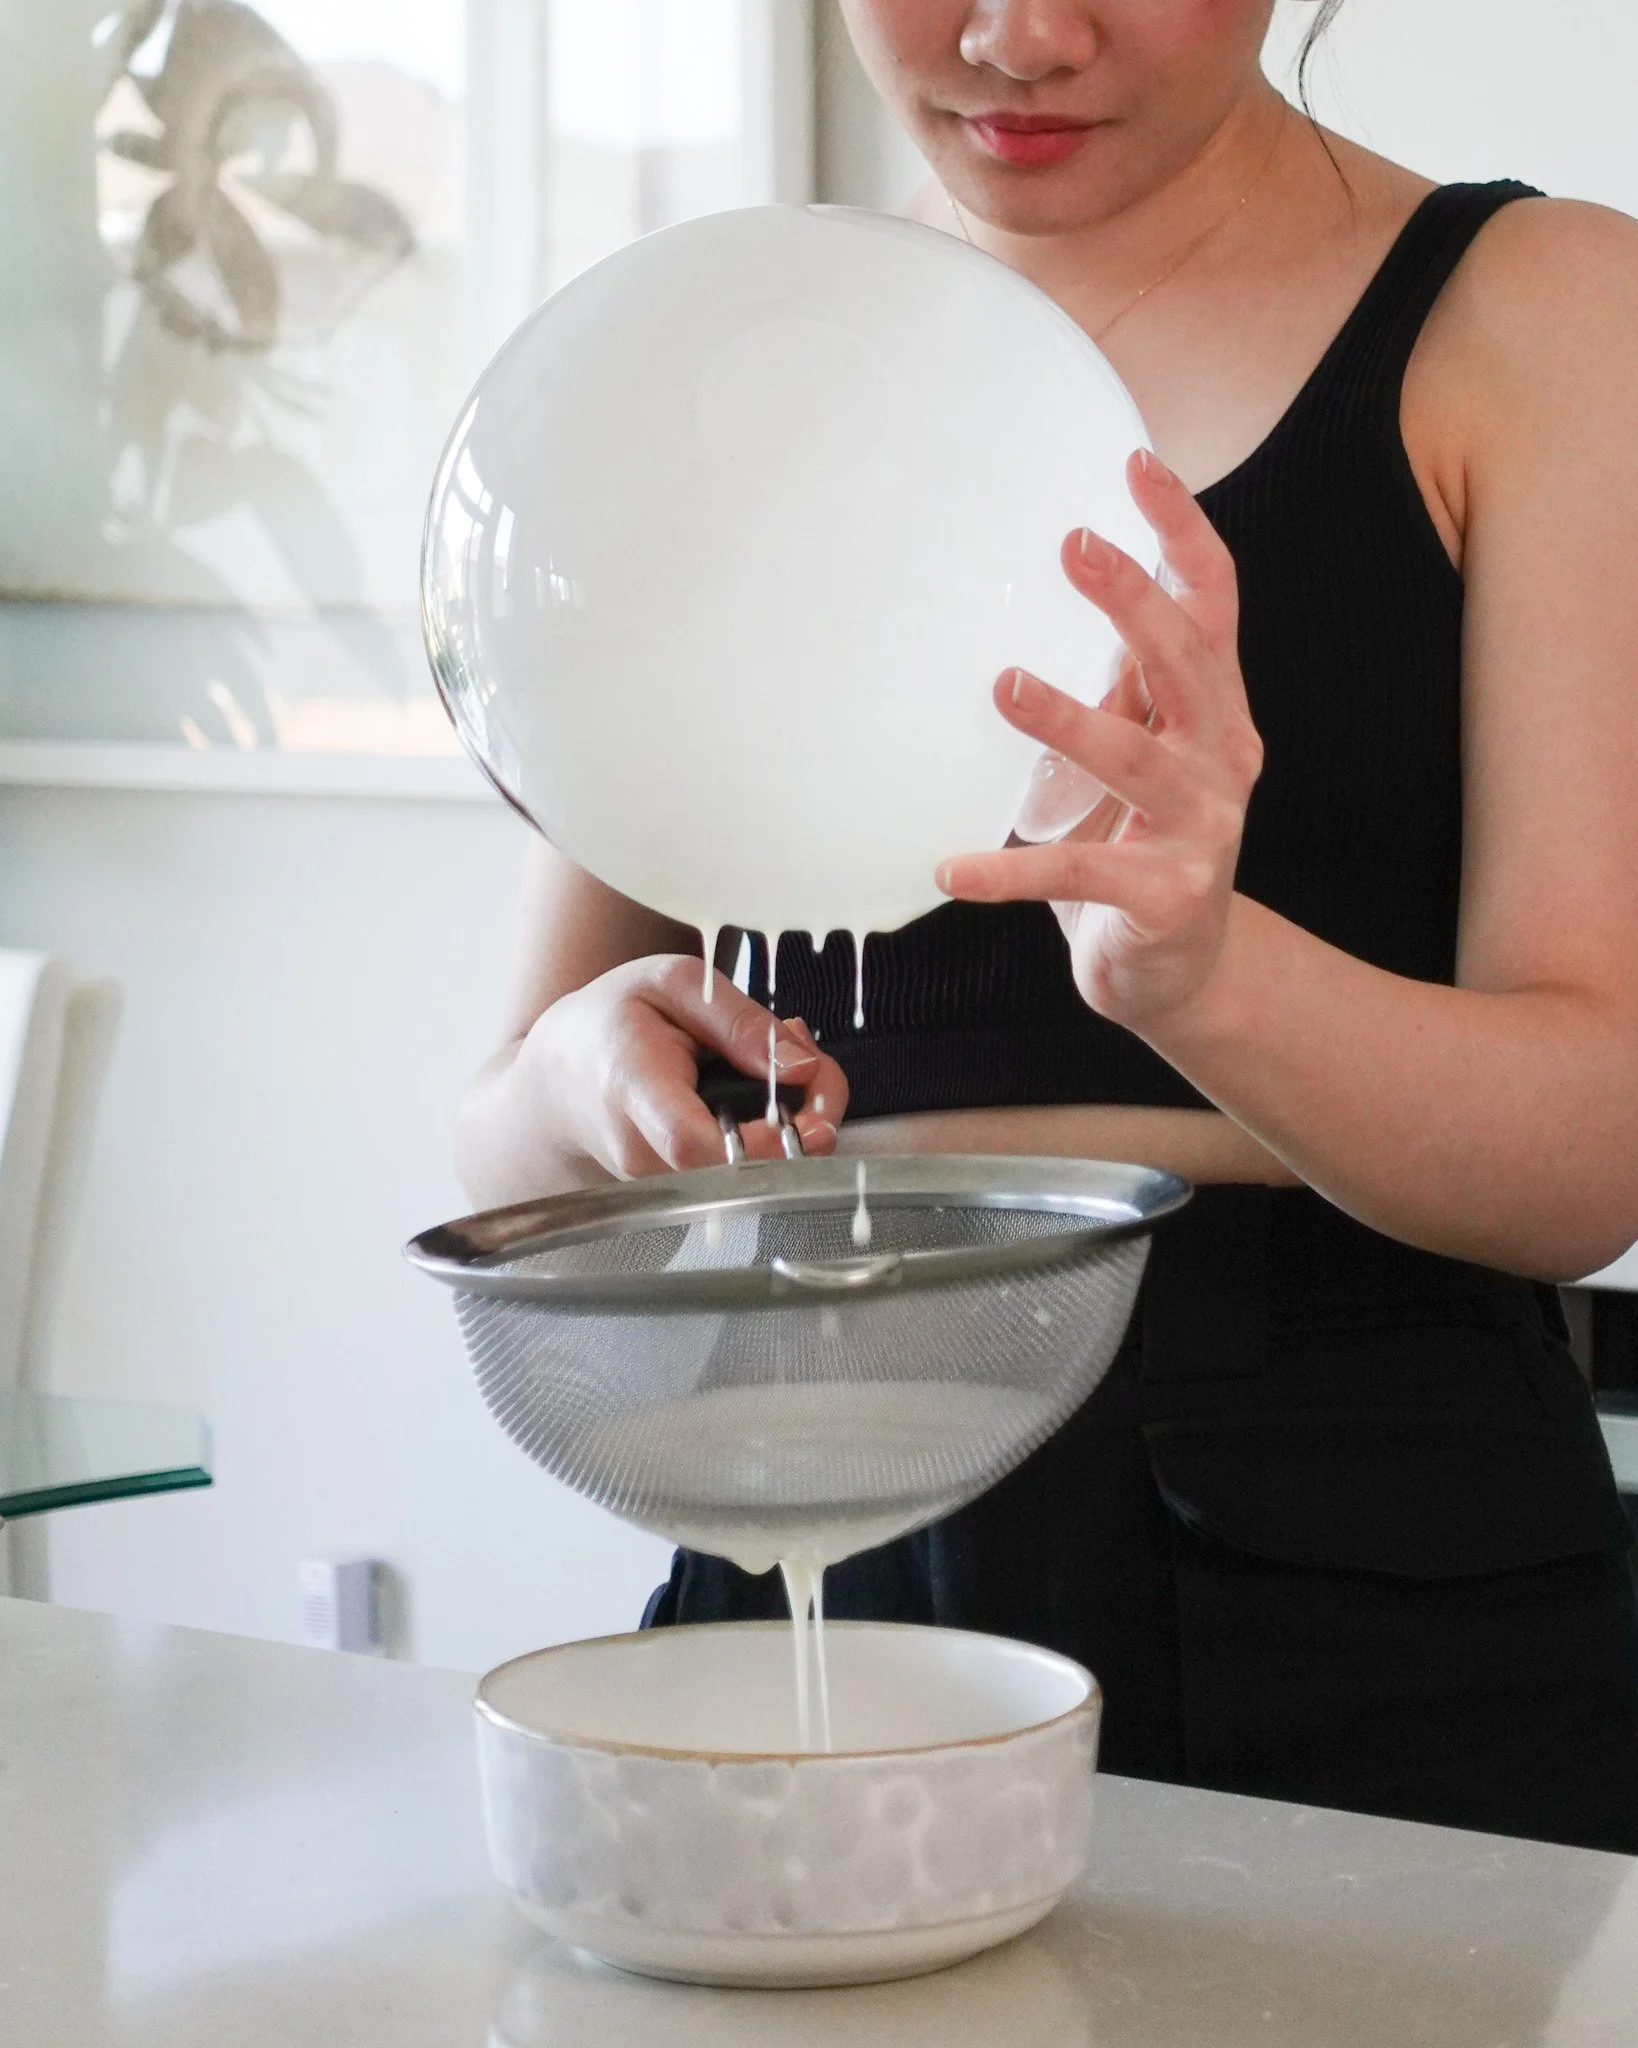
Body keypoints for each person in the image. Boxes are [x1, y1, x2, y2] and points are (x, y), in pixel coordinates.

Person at [456, 1, 1638, 1852]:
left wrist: (1207, 976)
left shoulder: (1540, 316)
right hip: (804, 1506)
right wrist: (581, 1086)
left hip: (1356, 1546)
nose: (1017, 37)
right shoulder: (718, 361)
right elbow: (502, 1152)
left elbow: (1587, 1165)